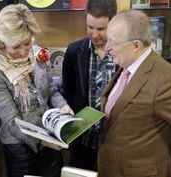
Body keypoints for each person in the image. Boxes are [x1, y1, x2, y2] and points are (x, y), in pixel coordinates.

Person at [98, 10, 171, 177]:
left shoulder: (167, 79)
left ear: (136, 45)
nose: (107, 48)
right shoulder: (126, 67)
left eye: (113, 42)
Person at [0, 4, 73, 177]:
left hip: (49, 136)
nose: (24, 51)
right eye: (15, 46)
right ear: (1, 43)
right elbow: (12, 121)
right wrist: (41, 141)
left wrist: (64, 108)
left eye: (27, 43)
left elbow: (51, 91)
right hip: (19, 148)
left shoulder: (38, 54)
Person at [62, 0, 117, 171]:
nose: (94, 34)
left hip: (114, 141)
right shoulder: (73, 52)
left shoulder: (124, 53)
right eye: (90, 27)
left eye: (101, 29)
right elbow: (69, 92)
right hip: (82, 140)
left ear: (113, 23)